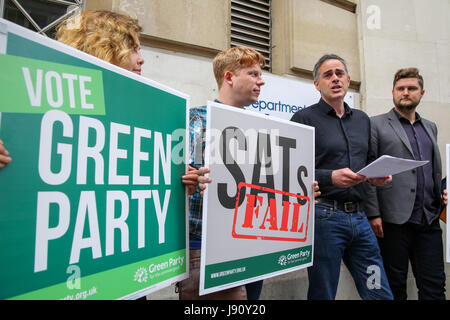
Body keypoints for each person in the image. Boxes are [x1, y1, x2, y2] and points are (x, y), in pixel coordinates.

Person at [178, 45, 320, 300]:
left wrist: (302, 192)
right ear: (229, 77)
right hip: (209, 250)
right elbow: (183, 181)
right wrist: (189, 179)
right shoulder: (197, 120)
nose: (261, 81)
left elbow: (272, 186)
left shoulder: (264, 128)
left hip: (254, 247)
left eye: (260, 74)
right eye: (253, 74)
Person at [290, 54, 393, 300]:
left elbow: (368, 162)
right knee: (323, 292)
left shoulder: (362, 120)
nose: (335, 78)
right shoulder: (304, 119)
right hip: (324, 219)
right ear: (317, 84)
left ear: (347, 80)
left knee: (378, 290)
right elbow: (291, 171)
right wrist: (329, 177)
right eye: (328, 75)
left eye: (339, 73)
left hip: (359, 218)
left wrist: (374, 177)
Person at [364, 68, 447, 300]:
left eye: (411, 89)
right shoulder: (376, 124)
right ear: (393, 92)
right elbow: (369, 170)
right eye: (401, 89)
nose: (405, 93)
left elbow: (431, 170)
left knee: (434, 287)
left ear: (422, 93)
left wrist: (442, 193)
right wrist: (373, 214)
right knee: (394, 288)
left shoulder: (430, 127)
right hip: (392, 222)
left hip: (428, 220)